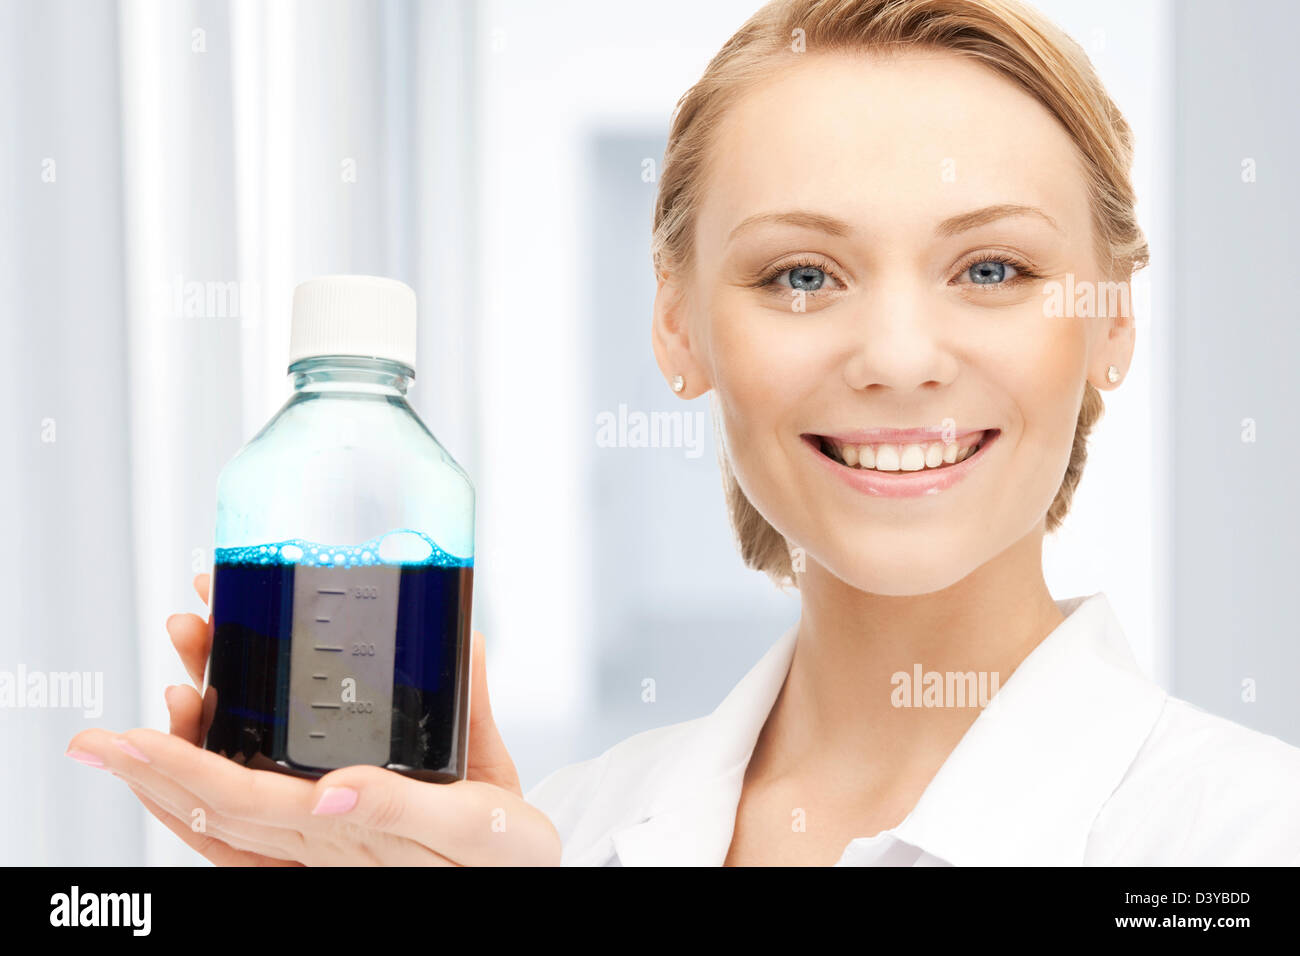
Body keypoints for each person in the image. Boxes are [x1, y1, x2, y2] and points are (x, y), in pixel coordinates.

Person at [66, 0, 1300, 865]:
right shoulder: (574, 826)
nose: (899, 358)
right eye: (802, 276)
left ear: (1110, 320)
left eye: (991, 266)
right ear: (677, 329)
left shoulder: (1243, 840)